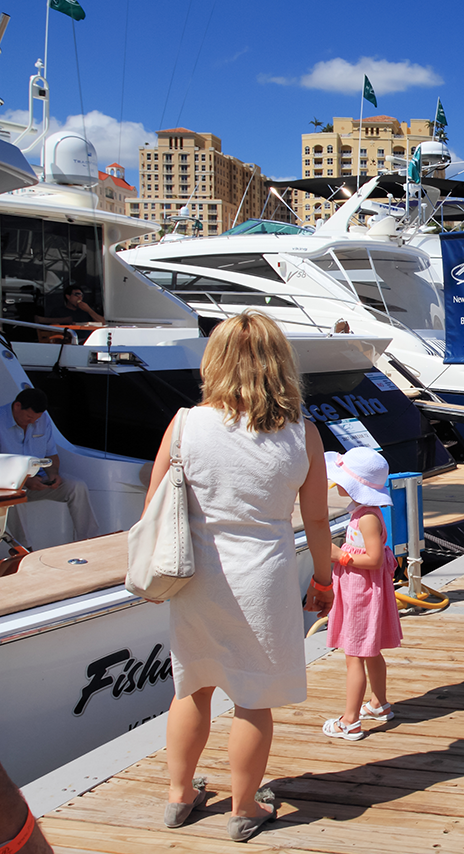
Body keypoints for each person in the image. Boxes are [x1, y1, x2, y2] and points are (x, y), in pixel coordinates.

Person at [149, 312, 333, 843]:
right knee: (252, 697)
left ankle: (180, 796)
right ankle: (245, 806)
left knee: (192, 686)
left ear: (215, 361)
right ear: (281, 365)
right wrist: (322, 579)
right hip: (265, 576)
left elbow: (156, 502)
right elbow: (317, 519)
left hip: (195, 575)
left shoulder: (185, 423)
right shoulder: (302, 434)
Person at [323, 447, 404, 741]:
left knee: (354, 655)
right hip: (361, 590)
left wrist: (339, 556)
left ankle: (350, 721)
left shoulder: (367, 517)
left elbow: (374, 560)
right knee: (370, 651)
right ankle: (379, 703)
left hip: (362, 593)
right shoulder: (363, 512)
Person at [0, 387, 100, 545]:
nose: (32, 422)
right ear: (17, 406)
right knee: (14, 498)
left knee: (77, 486)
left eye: (36, 419)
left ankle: (89, 542)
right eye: (28, 417)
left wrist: (53, 474)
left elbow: (51, 454)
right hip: (8, 483)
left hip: (38, 479)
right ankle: (25, 549)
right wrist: (25, 481)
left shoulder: (43, 419)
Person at [37, 286, 104, 325]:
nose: (80, 298)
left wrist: (89, 310)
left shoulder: (87, 310)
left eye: (81, 295)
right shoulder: (58, 311)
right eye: (76, 295)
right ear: (68, 296)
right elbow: (52, 326)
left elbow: (103, 323)